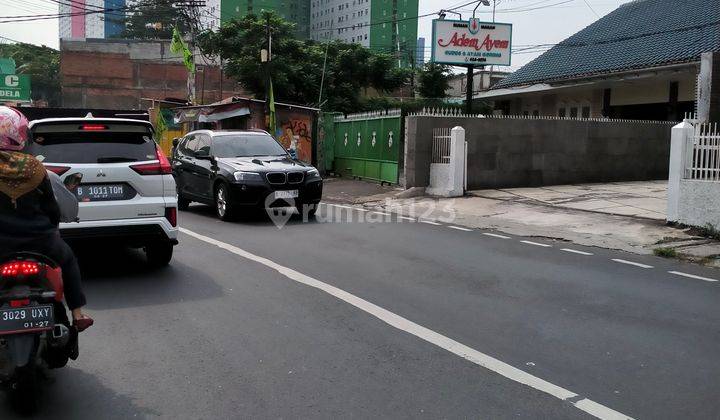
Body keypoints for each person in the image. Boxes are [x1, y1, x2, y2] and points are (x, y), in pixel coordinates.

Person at [0, 106, 92, 340]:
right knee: (69, 259)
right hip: (40, 243)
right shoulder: (35, 168)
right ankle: (78, 314)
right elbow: (52, 209)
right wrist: (50, 230)